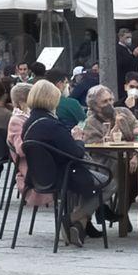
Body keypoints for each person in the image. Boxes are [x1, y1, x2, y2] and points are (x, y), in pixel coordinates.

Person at [23, 79, 114, 246]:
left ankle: (79, 226)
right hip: (63, 176)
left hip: (39, 177)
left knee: (96, 177)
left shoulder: (29, 123)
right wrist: (78, 139)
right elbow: (76, 152)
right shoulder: (52, 125)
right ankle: (71, 218)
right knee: (110, 182)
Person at [82, 84, 138, 225]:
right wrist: (115, 127)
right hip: (105, 163)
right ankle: (122, 212)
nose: (109, 104)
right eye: (104, 102)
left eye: (110, 100)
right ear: (95, 106)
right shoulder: (91, 123)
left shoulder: (124, 112)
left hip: (131, 158)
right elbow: (98, 148)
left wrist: (135, 154)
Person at [6, 82, 52, 209]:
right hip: (33, 168)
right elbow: (21, 149)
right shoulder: (17, 120)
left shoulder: (30, 117)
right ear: (23, 102)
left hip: (41, 162)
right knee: (74, 174)